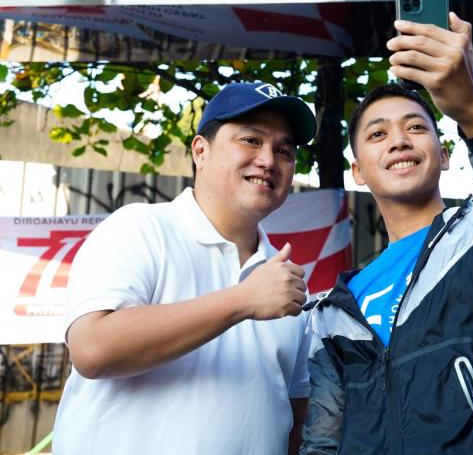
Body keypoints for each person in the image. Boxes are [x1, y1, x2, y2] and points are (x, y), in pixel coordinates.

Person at [300, 13, 473, 454]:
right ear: (358, 171)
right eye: (377, 134)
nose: (399, 141)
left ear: (444, 155)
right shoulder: (333, 313)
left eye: (415, 127)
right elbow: (322, 439)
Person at [53, 82, 317, 455]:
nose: (268, 160)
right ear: (200, 151)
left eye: (284, 150)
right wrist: (242, 300)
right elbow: (92, 349)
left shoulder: (284, 281)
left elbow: (296, 418)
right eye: (251, 140)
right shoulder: (141, 227)